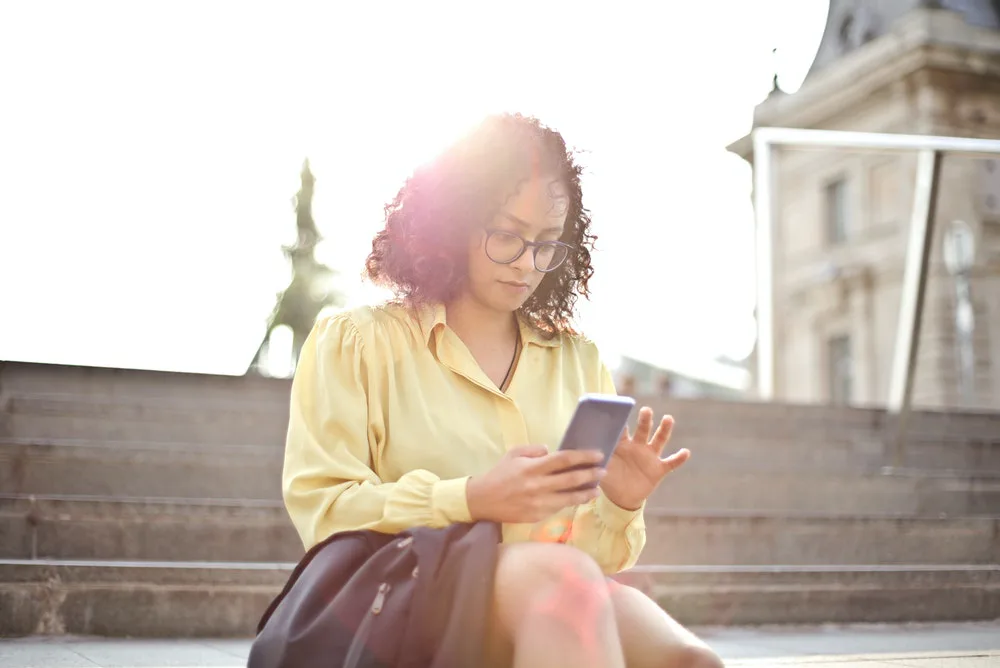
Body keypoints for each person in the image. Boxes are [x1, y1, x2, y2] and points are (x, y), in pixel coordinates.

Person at [282, 113, 724, 668]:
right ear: (452, 223)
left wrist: (619, 502)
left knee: (690, 661)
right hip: (401, 593)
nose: (526, 264)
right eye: (507, 236)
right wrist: (471, 498)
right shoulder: (357, 341)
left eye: (546, 244)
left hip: (550, 588)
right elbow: (325, 510)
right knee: (564, 589)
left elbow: (587, 560)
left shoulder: (577, 361)